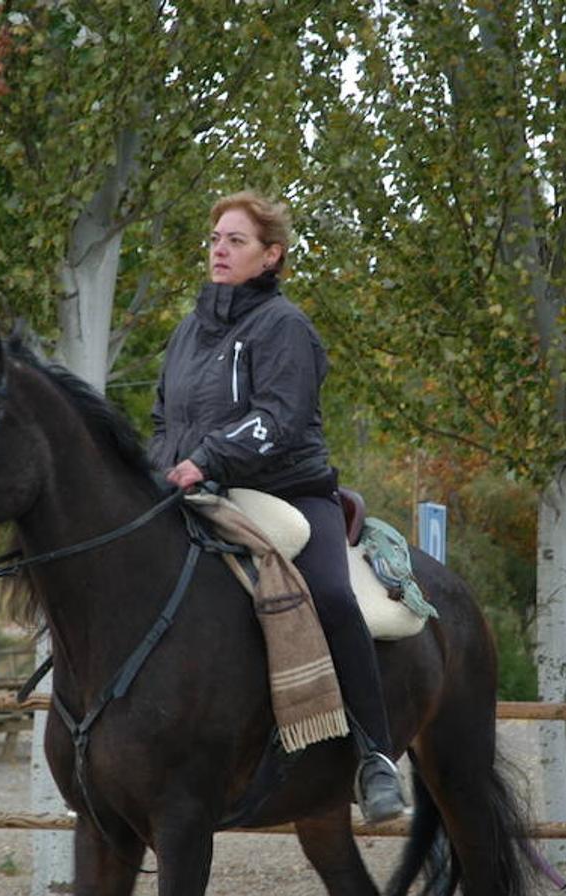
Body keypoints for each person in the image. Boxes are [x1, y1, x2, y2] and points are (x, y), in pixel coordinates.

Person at [149, 190, 406, 824]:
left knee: (331, 594)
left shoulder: (285, 326)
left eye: (236, 241)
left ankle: (375, 758)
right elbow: (162, 419)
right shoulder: (186, 332)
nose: (219, 249)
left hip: (290, 492)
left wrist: (206, 457)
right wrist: (163, 468)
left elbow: (280, 419)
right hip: (200, 491)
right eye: (215, 239)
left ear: (271, 257)